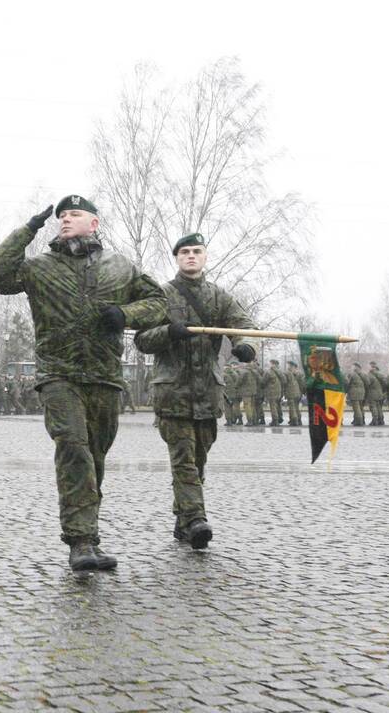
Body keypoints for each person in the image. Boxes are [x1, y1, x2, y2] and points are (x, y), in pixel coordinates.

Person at [0, 195, 167, 571]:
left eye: (75, 214)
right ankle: (79, 541)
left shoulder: (120, 267)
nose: (65, 219)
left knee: (95, 456)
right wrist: (26, 230)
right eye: (61, 215)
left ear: (94, 223)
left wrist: (125, 314)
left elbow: (159, 303)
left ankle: (90, 536)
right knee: (73, 447)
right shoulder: (40, 267)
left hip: (104, 376)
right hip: (59, 374)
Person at [134, 232, 256, 549]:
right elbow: (142, 340)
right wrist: (168, 332)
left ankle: (183, 519)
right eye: (185, 251)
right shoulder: (161, 295)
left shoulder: (218, 297)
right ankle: (196, 519)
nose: (191, 256)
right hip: (172, 393)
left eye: (196, 251)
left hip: (208, 395)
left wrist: (244, 346)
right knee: (184, 460)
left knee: (198, 461)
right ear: (177, 258)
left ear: (205, 257)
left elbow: (243, 325)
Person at [365, 361, 386, 426]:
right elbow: (384, 383)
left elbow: (367, 384)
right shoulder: (379, 374)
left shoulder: (370, 375)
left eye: (368, 366)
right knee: (379, 407)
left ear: (371, 367)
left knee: (373, 407)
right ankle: (381, 420)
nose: (367, 367)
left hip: (372, 394)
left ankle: (375, 420)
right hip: (379, 393)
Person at [284, 360, 304, 427]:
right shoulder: (299, 373)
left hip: (292, 392)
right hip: (298, 392)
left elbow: (285, 382)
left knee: (293, 407)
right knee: (296, 407)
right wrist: (302, 392)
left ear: (292, 366)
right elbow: (302, 384)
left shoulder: (289, 373)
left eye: (289, 365)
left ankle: (294, 421)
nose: (288, 366)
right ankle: (298, 420)